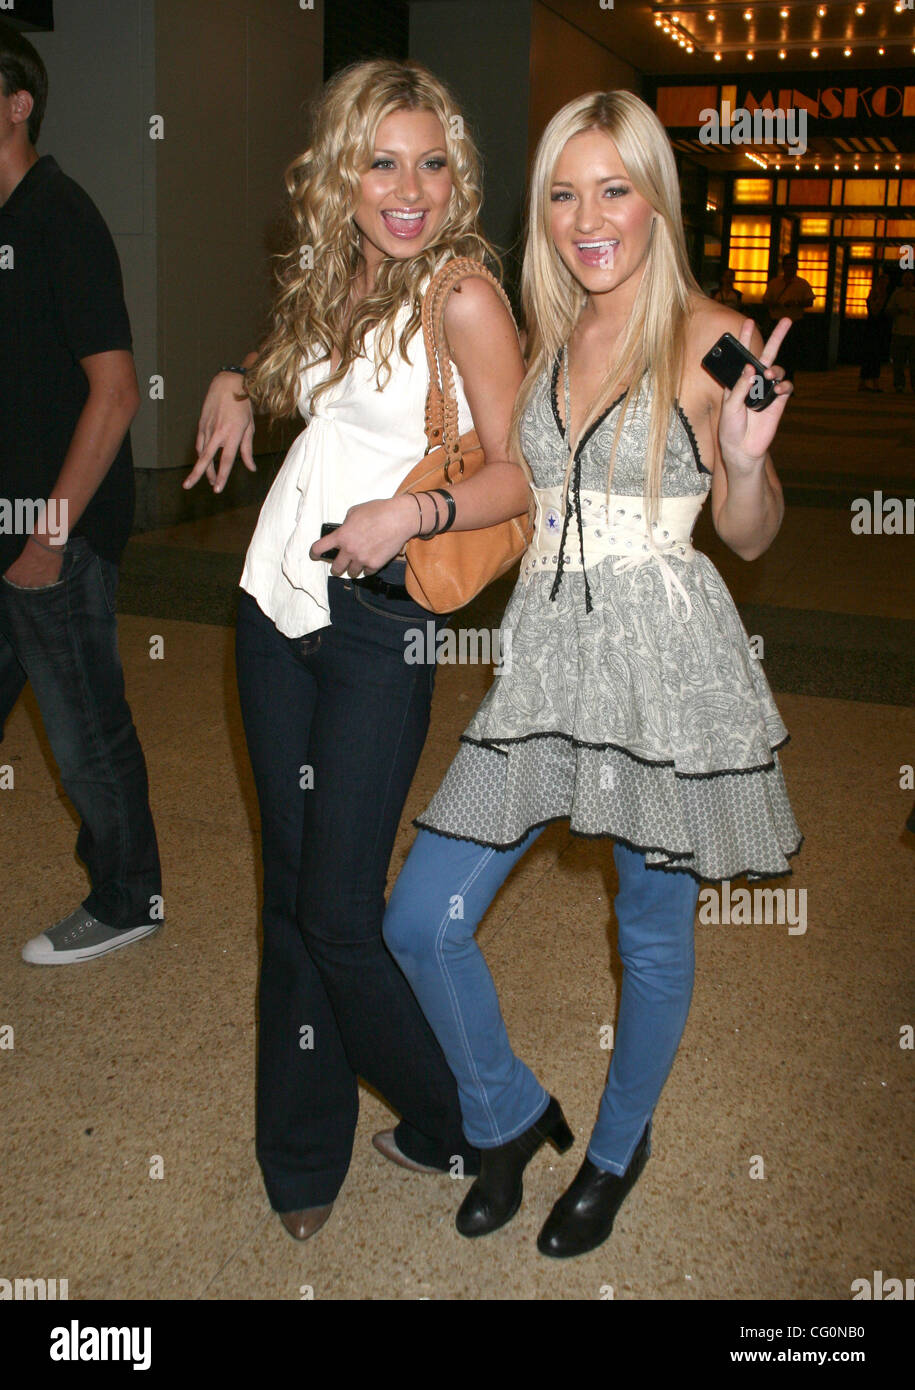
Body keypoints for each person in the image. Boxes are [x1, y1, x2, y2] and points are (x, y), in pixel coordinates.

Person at [383, 90, 802, 1259]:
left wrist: (746, 462)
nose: (587, 217)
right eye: (564, 193)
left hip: (663, 665)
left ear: (656, 198)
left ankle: (618, 1147)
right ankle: (509, 1113)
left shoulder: (710, 336)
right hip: (551, 657)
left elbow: (754, 532)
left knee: (653, 931)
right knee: (423, 917)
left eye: (614, 188)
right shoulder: (557, 328)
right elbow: (521, 479)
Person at [184, 60, 530, 1241]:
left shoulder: (465, 296)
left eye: (433, 163)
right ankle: (301, 1152)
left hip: (379, 624)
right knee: (292, 896)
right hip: (275, 604)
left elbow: (520, 472)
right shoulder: (344, 272)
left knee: (340, 911)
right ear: (345, 171)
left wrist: (411, 516)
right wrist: (236, 377)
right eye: (384, 161)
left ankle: (480, 1115)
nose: (411, 187)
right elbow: (307, 391)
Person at [0, 23, 161, 964]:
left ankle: (129, 896)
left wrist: (47, 540)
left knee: (84, 726)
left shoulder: (61, 215)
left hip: (55, 534)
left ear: (18, 105)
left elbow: (114, 388)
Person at [762, 253, 814, 383]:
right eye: (788, 264)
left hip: (794, 323)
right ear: (783, 267)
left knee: (792, 354)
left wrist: (796, 303)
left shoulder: (802, 284)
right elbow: (766, 300)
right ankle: (773, 381)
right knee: (776, 353)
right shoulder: (774, 283)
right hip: (776, 321)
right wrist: (774, 304)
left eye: (793, 264)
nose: (790, 267)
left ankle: (789, 381)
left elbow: (810, 302)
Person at [858, 270, 892, 393]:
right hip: (873, 327)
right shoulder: (875, 294)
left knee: (875, 355)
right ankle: (870, 382)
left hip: (880, 327)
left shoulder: (885, 294)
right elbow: (874, 311)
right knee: (871, 354)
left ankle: (867, 381)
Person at [886, 269, 915, 394]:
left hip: (913, 332)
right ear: (902, 280)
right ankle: (899, 384)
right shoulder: (897, 294)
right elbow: (889, 310)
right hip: (899, 331)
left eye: (910, 278)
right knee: (898, 361)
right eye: (906, 278)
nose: (908, 281)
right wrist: (899, 311)